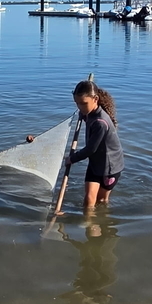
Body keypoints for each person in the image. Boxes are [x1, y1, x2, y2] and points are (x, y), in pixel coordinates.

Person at [67, 80, 124, 209]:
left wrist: (72, 159)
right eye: (77, 103)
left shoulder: (100, 122)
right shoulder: (89, 113)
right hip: (95, 163)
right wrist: (83, 114)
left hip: (110, 167)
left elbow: (90, 149)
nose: (80, 107)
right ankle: (88, 225)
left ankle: (101, 222)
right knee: (88, 200)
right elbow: (85, 113)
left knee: (101, 200)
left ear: (95, 99)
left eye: (84, 104)